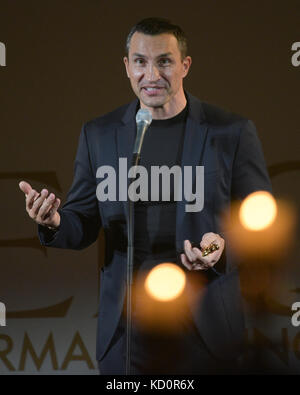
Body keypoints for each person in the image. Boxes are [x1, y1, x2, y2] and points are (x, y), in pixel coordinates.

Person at [19, 17, 272, 374]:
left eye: (164, 61)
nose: (151, 74)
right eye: (140, 61)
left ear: (185, 65)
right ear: (127, 67)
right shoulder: (100, 135)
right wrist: (55, 221)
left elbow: (260, 224)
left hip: (205, 330)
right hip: (126, 334)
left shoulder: (230, 132)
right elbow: (84, 222)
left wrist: (217, 250)